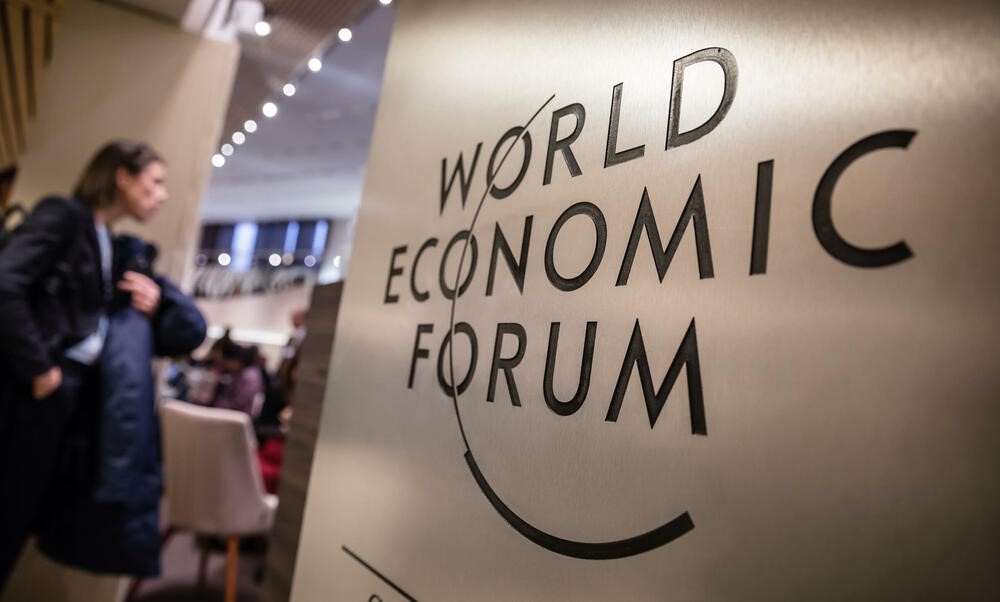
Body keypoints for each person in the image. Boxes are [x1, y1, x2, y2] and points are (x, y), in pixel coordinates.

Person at [0, 141, 205, 584]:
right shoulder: (65, 215)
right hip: (32, 393)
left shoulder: (107, 240)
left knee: (17, 520)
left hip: (63, 398)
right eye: (155, 181)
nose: (163, 194)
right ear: (122, 178)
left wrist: (152, 304)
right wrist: (41, 370)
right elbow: (5, 283)